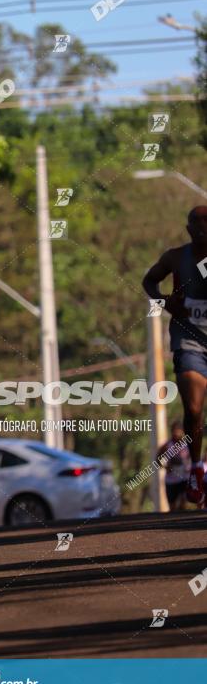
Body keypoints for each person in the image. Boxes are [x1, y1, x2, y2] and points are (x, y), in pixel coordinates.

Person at [142, 207, 207, 505]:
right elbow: (149, 281)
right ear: (188, 228)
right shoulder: (175, 257)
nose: (203, 228)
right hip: (189, 341)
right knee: (193, 409)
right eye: (197, 224)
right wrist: (166, 303)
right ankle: (196, 468)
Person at [156, 420, 191, 511]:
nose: (176, 433)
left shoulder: (187, 444)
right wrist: (165, 467)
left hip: (184, 478)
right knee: (172, 507)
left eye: (178, 431)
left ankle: (183, 522)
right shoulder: (166, 446)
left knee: (183, 503)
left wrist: (190, 467)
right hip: (171, 480)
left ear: (182, 432)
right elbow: (158, 460)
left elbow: (194, 458)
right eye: (174, 431)